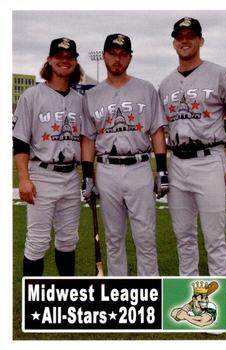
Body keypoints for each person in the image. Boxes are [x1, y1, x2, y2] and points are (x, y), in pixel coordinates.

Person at [158, 17, 226, 276]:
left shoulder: (220, 74)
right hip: (178, 162)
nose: (185, 40)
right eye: (180, 36)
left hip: (209, 158)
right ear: (173, 43)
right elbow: (160, 128)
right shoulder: (166, 83)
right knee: (184, 238)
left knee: (215, 238)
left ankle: (220, 307)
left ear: (200, 40)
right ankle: (188, 296)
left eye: (190, 36)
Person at [81, 33, 168, 276]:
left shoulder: (146, 89)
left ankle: (148, 291)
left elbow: (157, 131)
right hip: (107, 168)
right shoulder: (92, 95)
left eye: (122, 54)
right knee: (114, 239)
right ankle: (120, 293)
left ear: (129, 58)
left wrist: (162, 169)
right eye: (112, 54)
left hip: (139, 166)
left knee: (145, 237)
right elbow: (88, 138)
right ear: (105, 55)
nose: (117, 59)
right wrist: (88, 175)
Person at [13, 37, 85, 276]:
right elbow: (20, 140)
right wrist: (24, 178)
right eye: (59, 57)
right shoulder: (32, 96)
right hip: (42, 174)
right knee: (37, 242)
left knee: (68, 240)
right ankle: (33, 304)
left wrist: (88, 176)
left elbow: (86, 142)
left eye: (69, 58)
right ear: (50, 60)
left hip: (71, 175)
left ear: (75, 62)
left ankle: (65, 298)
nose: (64, 61)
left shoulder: (79, 100)